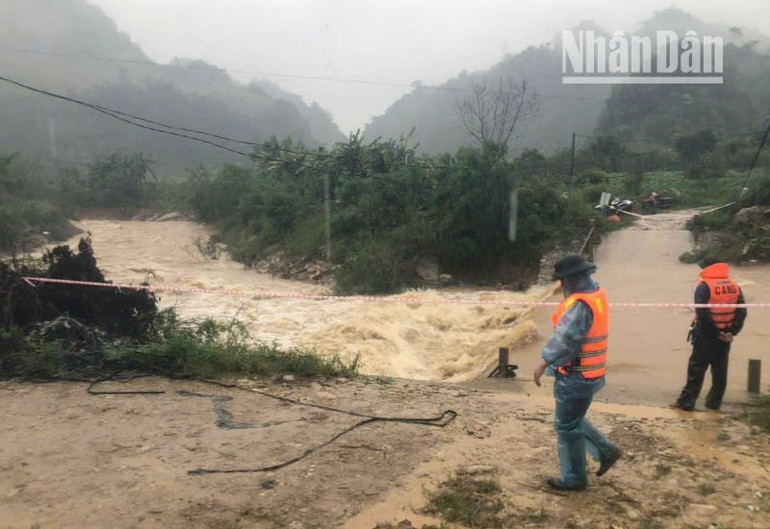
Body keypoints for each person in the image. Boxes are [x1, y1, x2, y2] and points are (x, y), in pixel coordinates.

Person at [533, 254, 622, 491]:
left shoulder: (579, 305)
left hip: (576, 376)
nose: (562, 286)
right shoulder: (597, 295)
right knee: (574, 421)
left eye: (562, 281)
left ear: (570, 279)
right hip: (592, 373)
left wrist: (544, 362)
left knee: (566, 427)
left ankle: (574, 479)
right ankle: (607, 451)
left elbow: (566, 340)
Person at [670, 258, 748, 411]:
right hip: (726, 337)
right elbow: (742, 311)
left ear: (707, 268)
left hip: (706, 336)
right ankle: (714, 404)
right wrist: (731, 332)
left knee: (696, 369)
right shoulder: (734, 286)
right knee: (720, 371)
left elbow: (703, 314)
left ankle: (686, 403)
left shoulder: (704, 286)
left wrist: (715, 333)